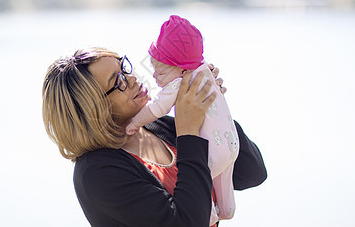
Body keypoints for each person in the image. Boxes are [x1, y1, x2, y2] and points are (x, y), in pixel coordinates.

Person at [42, 47, 267, 227]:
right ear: (93, 108)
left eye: (125, 68)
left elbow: (252, 172)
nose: (131, 79)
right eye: (118, 81)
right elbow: (186, 222)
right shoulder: (97, 172)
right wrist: (189, 131)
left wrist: (213, 112)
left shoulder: (160, 127)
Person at [124, 15, 239, 225]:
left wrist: (135, 123)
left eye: (161, 71)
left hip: (214, 149)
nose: (155, 77)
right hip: (231, 142)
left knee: (198, 184)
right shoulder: (204, 70)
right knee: (224, 183)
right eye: (155, 70)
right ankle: (227, 209)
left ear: (182, 67)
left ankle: (211, 215)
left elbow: (157, 108)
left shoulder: (180, 83)